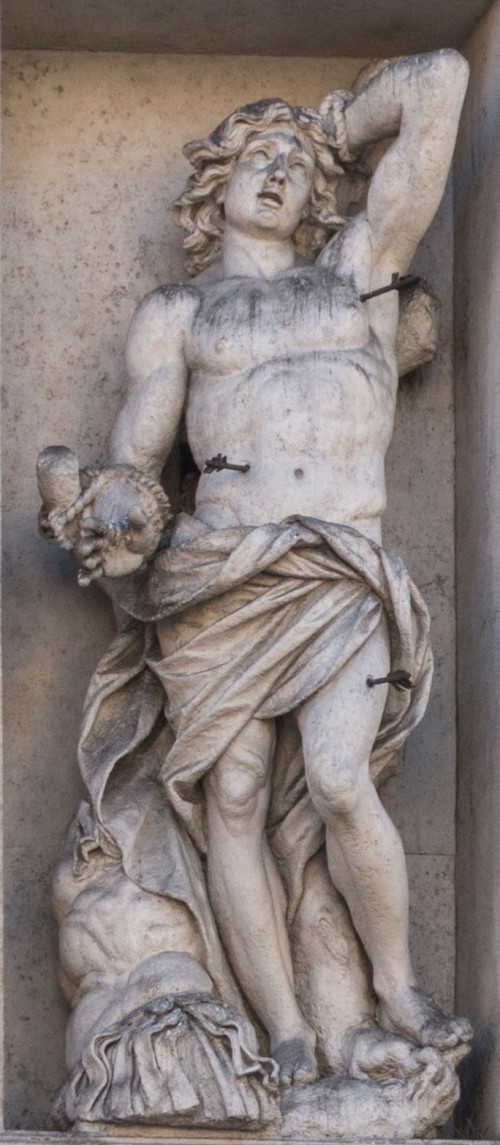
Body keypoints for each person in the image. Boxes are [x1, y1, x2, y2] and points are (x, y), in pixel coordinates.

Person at [73, 51, 472, 1086]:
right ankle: (287, 1031)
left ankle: (394, 984)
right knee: (236, 794)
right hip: (217, 572)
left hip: (336, 563)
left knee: (339, 780)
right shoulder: (177, 313)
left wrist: (329, 125)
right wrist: (106, 506)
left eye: (295, 163)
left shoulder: (355, 274)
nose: (277, 170)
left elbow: (438, 81)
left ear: (317, 193)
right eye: (257, 153)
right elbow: (136, 457)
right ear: (217, 183)